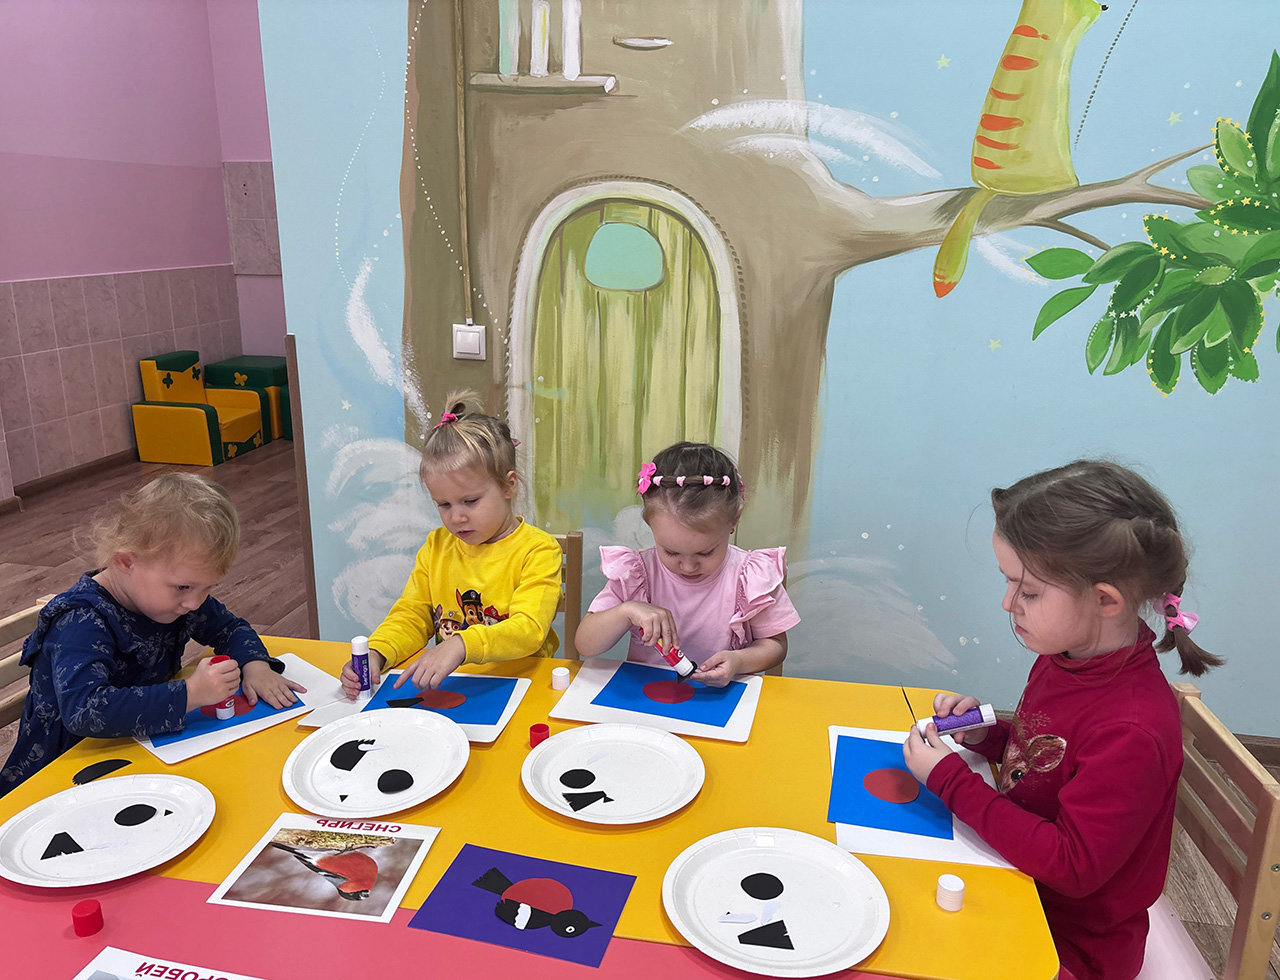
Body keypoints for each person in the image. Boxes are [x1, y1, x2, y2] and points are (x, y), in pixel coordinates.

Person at [903, 460, 1224, 980]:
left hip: (1069, 945)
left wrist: (953, 782)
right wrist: (988, 735)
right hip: (1019, 887)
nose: (1007, 603)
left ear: (1105, 600)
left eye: (1027, 591)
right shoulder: (1067, 658)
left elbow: (1073, 866)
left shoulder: (1131, 729)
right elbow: (1051, 757)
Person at [1, 472, 301, 796]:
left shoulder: (177, 598)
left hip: (137, 754)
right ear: (126, 561)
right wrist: (191, 694)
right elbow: (86, 709)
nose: (194, 602)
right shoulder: (79, 621)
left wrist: (255, 666)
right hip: (57, 781)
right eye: (184, 587)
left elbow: (230, 628)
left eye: (208, 587)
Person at [339, 391, 562, 697]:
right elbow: (412, 615)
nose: (457, 517)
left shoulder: (538, 550)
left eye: (470, 501)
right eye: (444, 504)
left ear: (509, 485)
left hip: (524, 688)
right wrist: (378, 653)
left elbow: (529, 630)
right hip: (453, 686)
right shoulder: (437, 546)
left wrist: (461, 644)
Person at [575, 442, 799, 685]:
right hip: (646, 698)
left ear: (734, 520)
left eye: (705, 553)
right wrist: (626, 611)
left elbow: (776, 645)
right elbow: (585, 645)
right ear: (650, 526)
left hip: (724, 698)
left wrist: (740, 661)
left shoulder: (751, 575)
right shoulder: (636, 574)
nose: (689, 567)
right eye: (671, 552)